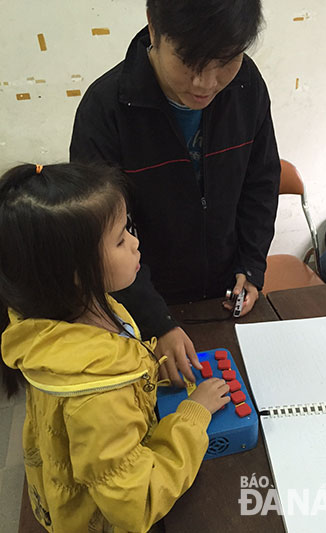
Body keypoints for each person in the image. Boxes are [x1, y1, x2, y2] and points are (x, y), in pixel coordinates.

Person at [0, 162, 230, 533]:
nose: (135, 242)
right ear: (75, 272)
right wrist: (194, 415)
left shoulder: (74, 312)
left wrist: (148, 368)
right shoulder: (97, 400)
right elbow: (137, 503)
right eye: (121, 239)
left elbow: (115, 353)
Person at [70, 0, 281, 387]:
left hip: (223, 293)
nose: (206, 83)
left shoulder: (246, 86)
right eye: (188, 61)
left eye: (224, 61)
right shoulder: (106, 108)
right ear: (153, 27)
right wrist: (156, 320)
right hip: (142, 301)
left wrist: (251, 266)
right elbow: (100, 234)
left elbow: (261, 181)